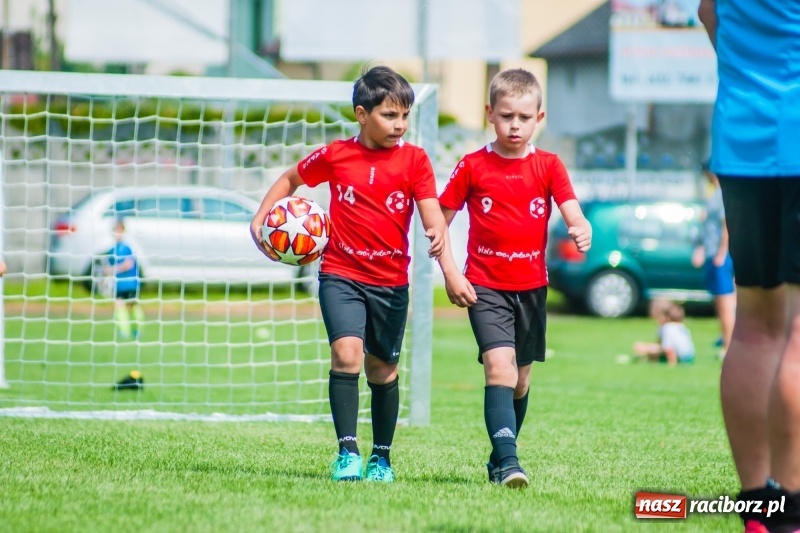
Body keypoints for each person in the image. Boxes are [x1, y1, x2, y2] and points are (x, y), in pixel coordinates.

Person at [249, 65, 446, 483]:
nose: (400, 125)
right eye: (389, 115)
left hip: (391, 282)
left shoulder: (415, 160)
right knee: (346, 355)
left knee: (382, 371)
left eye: (404, 115)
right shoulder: (337, 155)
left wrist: (436, 233)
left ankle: (382, 458)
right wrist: (261, 218)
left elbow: (431, 211)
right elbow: (290, 180)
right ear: (362, 114)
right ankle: (347, 454)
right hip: (340, 274)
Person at [436, 68, 591, 488]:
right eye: (506, 116)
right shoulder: (472, 165)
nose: (515, 125)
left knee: (521, 380)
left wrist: (581, 226)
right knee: (499, 368)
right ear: (490, 114)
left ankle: (498, 458)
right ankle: (509, 462)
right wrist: (450, 273)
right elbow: (439, 221)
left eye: (524, 117)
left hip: (532, 289)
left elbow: (571, 207)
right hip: (484, 286)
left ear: (539, 118)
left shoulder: (549, 165)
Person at [699, 2, 800, 531]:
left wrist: (748, 77)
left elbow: (707, 12)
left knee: (756, 327)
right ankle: (795, 504)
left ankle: (760, 506)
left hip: (742, 138)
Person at [691, 163, 735, 358]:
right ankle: (726, 340)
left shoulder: (721, 194)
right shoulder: (713, 194)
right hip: (713, 253)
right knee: (722, 301)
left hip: (720, 256)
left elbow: (727, 224)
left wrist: (721, 253)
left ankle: (729, 346)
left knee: (725, 301)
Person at [105, 219, 143, 340]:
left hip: (130, 283)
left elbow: (128, 264)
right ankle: (124, 331)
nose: (117, 233)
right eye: (116, 230)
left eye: (120, 230)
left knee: (132, 306)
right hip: (119, 284)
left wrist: (113, 269)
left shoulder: (127, 248)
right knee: (119, 305)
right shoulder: (112, 250)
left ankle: (137, 328)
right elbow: (106, 266)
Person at [632, 300, 695, 366]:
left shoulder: (667, 328)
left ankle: (649, 361)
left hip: (681, 358)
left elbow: (668, 349)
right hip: (690, 357)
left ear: (666, 317)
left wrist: (672, 364)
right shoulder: (682, 327)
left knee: (648, 349)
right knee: (653, 349)